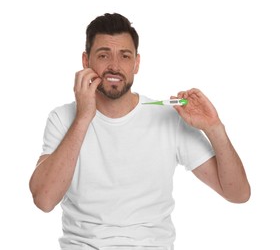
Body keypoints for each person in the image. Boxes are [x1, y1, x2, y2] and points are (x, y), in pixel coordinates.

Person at [29, 13, 250, 250]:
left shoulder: (167, 118)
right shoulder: (63, 119)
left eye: (125, 56)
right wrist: (83, 117)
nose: (114, 65)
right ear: (86, 61)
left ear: (136, 63)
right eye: (104, 55)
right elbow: (44, 200)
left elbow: (238, 194)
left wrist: (214, 128)